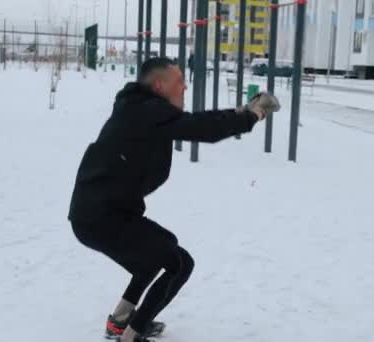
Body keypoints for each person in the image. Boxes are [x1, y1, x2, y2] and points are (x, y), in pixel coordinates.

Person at [68, 57, 280, 342]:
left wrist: (240, 111)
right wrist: (253, 114)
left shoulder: (140, 109)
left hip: (102, 214)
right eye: (179, 81)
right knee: (179, 263)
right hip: (102, 217)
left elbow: (198, 121)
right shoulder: (146, 112)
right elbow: (205, 129)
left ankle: (120, 321)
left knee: (156, 257)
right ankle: (130, 336)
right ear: (159, 85)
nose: (185, 86)